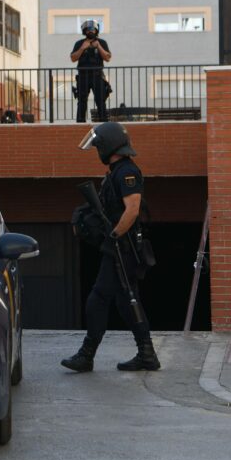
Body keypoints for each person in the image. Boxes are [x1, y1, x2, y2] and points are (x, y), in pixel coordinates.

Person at [61, 122, 160, 374]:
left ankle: (86, 355)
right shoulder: (117, 170)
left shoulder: (126, 171)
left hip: (122, 249)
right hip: (119, 247)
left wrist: (114, 235)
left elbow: (133, 209)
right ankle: (147, 353)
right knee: (127, 301)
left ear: (108, 146)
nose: (97, 150)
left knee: (98, 299)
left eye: (99, 146)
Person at [70, 19, 111, 123]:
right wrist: (82, 48)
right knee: (82, 101)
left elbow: (107, 58)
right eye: (88, 29)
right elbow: (73, 58)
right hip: (83, 76)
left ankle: (104, 123)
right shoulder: (79, 43)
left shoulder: (102, 42)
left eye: (93, 29)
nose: (90, 31)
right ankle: (80, 123)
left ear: (96, 30)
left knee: (101, 101)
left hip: (97, 76)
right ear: (84, 31)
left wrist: (99, 47)